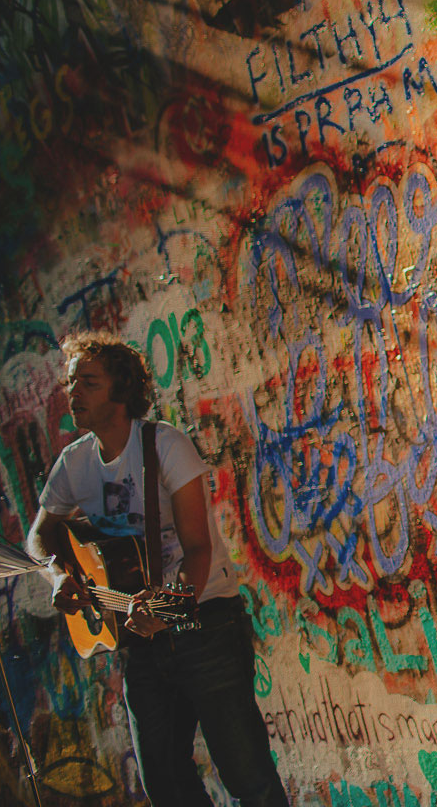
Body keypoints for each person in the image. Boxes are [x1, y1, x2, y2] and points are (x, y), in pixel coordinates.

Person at [25, 333, 288, 807]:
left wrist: (168, 608)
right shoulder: (75, 463)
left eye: (89, 382)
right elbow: (39, 534)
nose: (73, 392)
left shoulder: (165, 446)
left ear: (122, 392)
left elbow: (198, 548)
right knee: (165, 786)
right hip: (139, 640)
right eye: (70, 382)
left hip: (203, 619)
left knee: (248, 778)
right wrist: (58, 574)